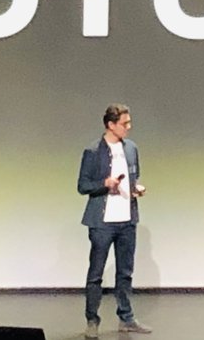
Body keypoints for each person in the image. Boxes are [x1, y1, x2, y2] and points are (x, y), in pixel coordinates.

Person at [78, 104, 151, 336]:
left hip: (127, 221)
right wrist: (104, 184)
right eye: (124, 123)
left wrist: (135, 189)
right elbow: (83, 186)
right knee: (96, 274)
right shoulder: (93, 151)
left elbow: (132, 178)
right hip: (102, 224)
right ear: (111, 125)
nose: (129, 127)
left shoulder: (131, 148)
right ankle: (92, 320)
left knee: (125, 273)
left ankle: (126, 318)